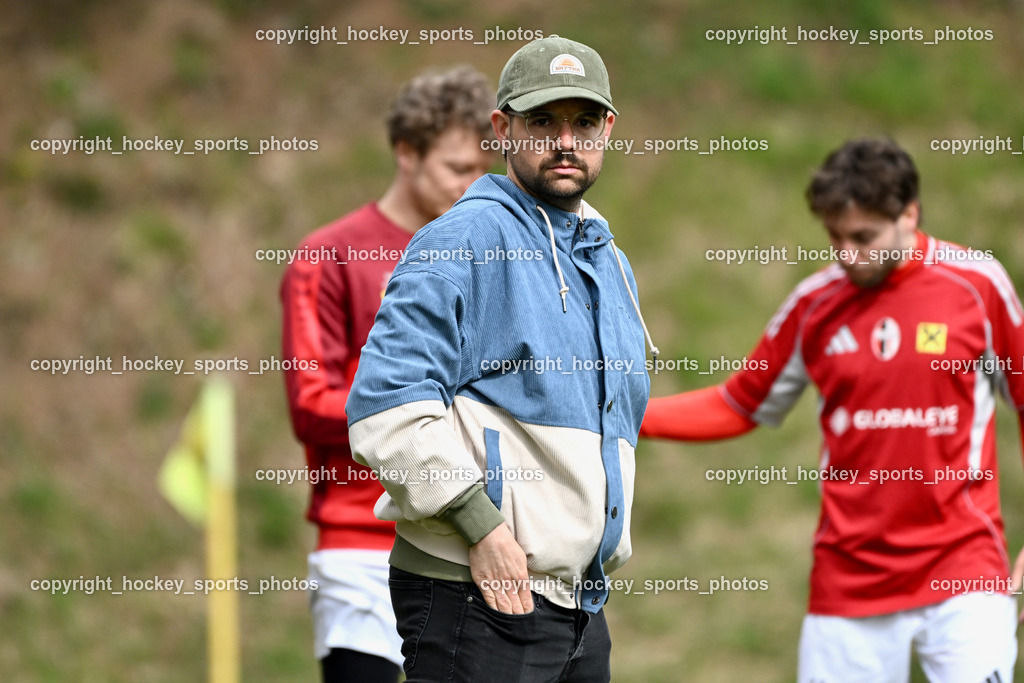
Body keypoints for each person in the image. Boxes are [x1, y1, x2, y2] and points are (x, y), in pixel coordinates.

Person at [641, 138, 1024, 682]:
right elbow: (737, 403)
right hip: (849, 584)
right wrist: (623, 417)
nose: (847, 253)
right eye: (835, 237)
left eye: (864, 237)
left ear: (909, 214)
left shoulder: (977, 285)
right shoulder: (814, 306)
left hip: (963, 572)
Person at [345, 35, 658, 682]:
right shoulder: (462, 241)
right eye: (542, 121)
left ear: (609, 128)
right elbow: (385, 407)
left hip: (577, 606)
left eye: (583, 122)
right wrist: (481, 527)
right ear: (502, 127)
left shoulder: (609, 259)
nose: (564, 140)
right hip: (478, 591)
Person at [279, 65, 495, 683]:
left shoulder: (496, 256)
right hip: (362, 543)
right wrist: (417, 424)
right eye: (457, 168)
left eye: (485, 169)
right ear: (406, 152)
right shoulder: (328, 256)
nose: (473, 185)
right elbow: (310, 405)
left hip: (470, 539)